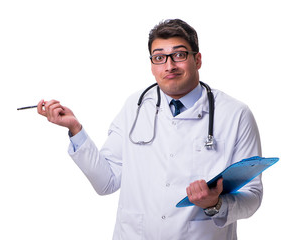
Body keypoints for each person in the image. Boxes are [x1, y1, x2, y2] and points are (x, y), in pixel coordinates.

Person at [37, 19, 262, 240]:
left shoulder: (236, 114)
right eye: (159, 57)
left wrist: (216, 204)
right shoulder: (134, 107)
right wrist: (75, 129)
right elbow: (106, 182)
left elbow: (252, 196)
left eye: (180, 55)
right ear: (152, 64)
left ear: (198, 59)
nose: (169, 65)